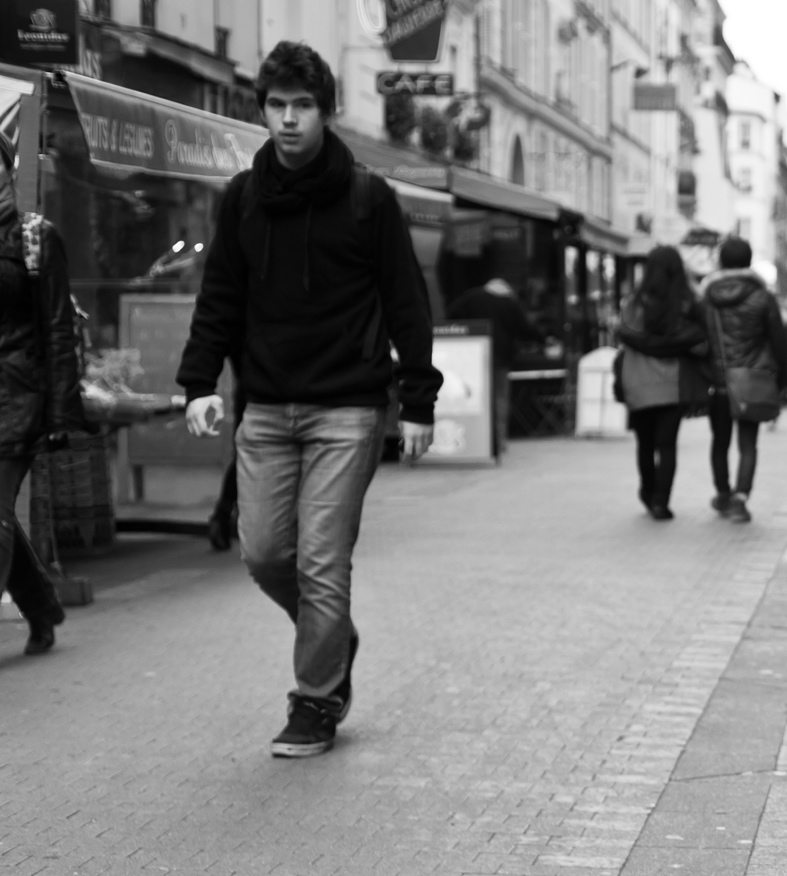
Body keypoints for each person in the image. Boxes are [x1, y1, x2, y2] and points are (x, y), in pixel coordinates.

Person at [177, 41, 442, 758]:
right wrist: (199, 381)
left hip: (347, 408)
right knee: (263, 552)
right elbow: (220, 298)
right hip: (264, 409)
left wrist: (417, 400)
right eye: (277, 105)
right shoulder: (243, 199)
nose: (289, 120)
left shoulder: (367, 198)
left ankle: (316, 699)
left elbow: (406, 302)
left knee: (323, 561)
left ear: (326, 111)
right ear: (262, 110)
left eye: (303, 106)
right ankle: (334, 636)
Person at [0, 133, 88, 655]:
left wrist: (60, 413)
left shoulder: (35, 238)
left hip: (17, 396)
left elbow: (58, 331)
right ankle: (40, 605)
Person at [615, 245, 710, 521]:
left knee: (644, 443)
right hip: (672, 384)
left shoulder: (634, 303)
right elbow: (700, 345)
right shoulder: (687, 305)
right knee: (667, 446)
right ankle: (661, 501)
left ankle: (647, 490)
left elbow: (627, 337)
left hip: (638, 382)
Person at [700, 237, 787, 524]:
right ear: (749, 261)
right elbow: (779, 340)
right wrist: (783, 378)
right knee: (748, 443)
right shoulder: (763, 297)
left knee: (719, 442)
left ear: (721, 261)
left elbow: (699, 338)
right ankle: (740, 499)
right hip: (753, 379)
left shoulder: (706, 297)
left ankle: (723, 493)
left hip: (718, 379)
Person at [447, 278, 544, 456]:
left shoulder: (470, 297)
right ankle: (499, 443)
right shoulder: (509, 303)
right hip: (499, 358)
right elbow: (525, 329)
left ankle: (473, 441)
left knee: (473, 397)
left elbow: (450, 316)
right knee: (500, 399)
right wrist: (544, 340)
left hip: (472, 357)